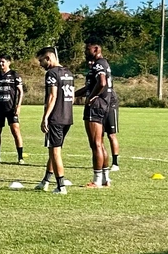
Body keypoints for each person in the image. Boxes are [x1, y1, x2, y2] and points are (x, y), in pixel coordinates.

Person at [35, 47, 75, 194]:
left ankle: (61, 186)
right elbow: (72, 97)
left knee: (55, 152)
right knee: (54, 150)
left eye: (41, 61)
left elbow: (52, 96)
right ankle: (45, 181)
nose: (40, 64)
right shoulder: (68, 73)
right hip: (67, 117)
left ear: (48, 58)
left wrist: (45, 117)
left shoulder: (51, 73)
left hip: (55, 118)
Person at [76, 40, 115, 188]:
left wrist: (92, 97)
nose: (86, 51)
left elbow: (102, 83)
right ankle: (105, 178)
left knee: (95, 144)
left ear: (96, 49)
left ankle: (96, 180)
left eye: (88, 49)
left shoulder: (99, 63)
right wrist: (75, 94)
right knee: (101, 143)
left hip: (96, 106)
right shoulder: (103, 64)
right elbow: (90, 86)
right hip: (104, 105)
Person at [0, 54, 24, 164]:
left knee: (15, 130)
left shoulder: (14, 75)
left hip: (11, 108)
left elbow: (21, 92)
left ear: (9, 62)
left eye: (3, 61)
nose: (1, 64)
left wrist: (18, 106)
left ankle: (20, 157)